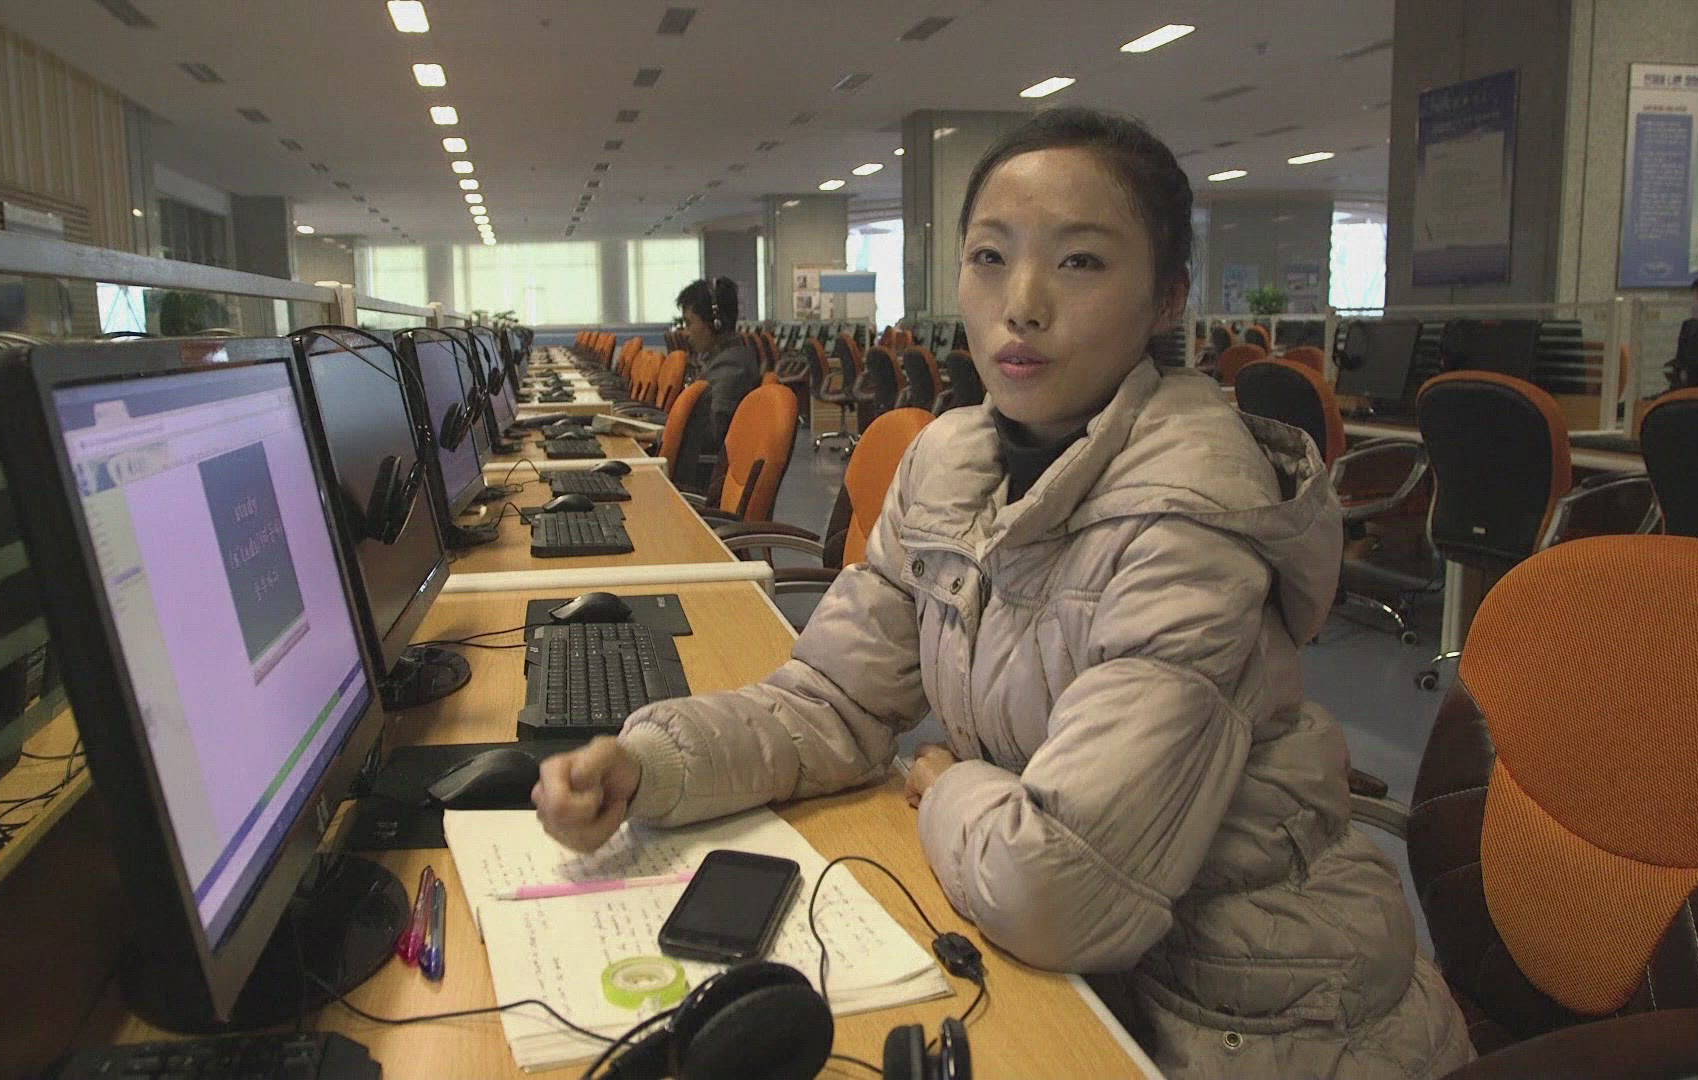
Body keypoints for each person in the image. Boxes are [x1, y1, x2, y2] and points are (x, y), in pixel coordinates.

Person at [536, 108, 1473, 1078]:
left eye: (1080, 262)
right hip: (1072, 974)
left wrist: (948, 785)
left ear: (1168, 297)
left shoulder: (1194, 519)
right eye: (990, 257)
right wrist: (651, 765)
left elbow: (1059, 890)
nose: (1021, 304)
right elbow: (833, 701)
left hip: (1257, 1020)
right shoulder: (953, 465)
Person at [675, 276, 758, 453]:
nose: (685, 333)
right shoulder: (722, 360)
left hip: (700, 467)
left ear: (715, 324)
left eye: (689, 323)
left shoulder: (731, 367)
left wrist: (660, 434)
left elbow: (711, 437)